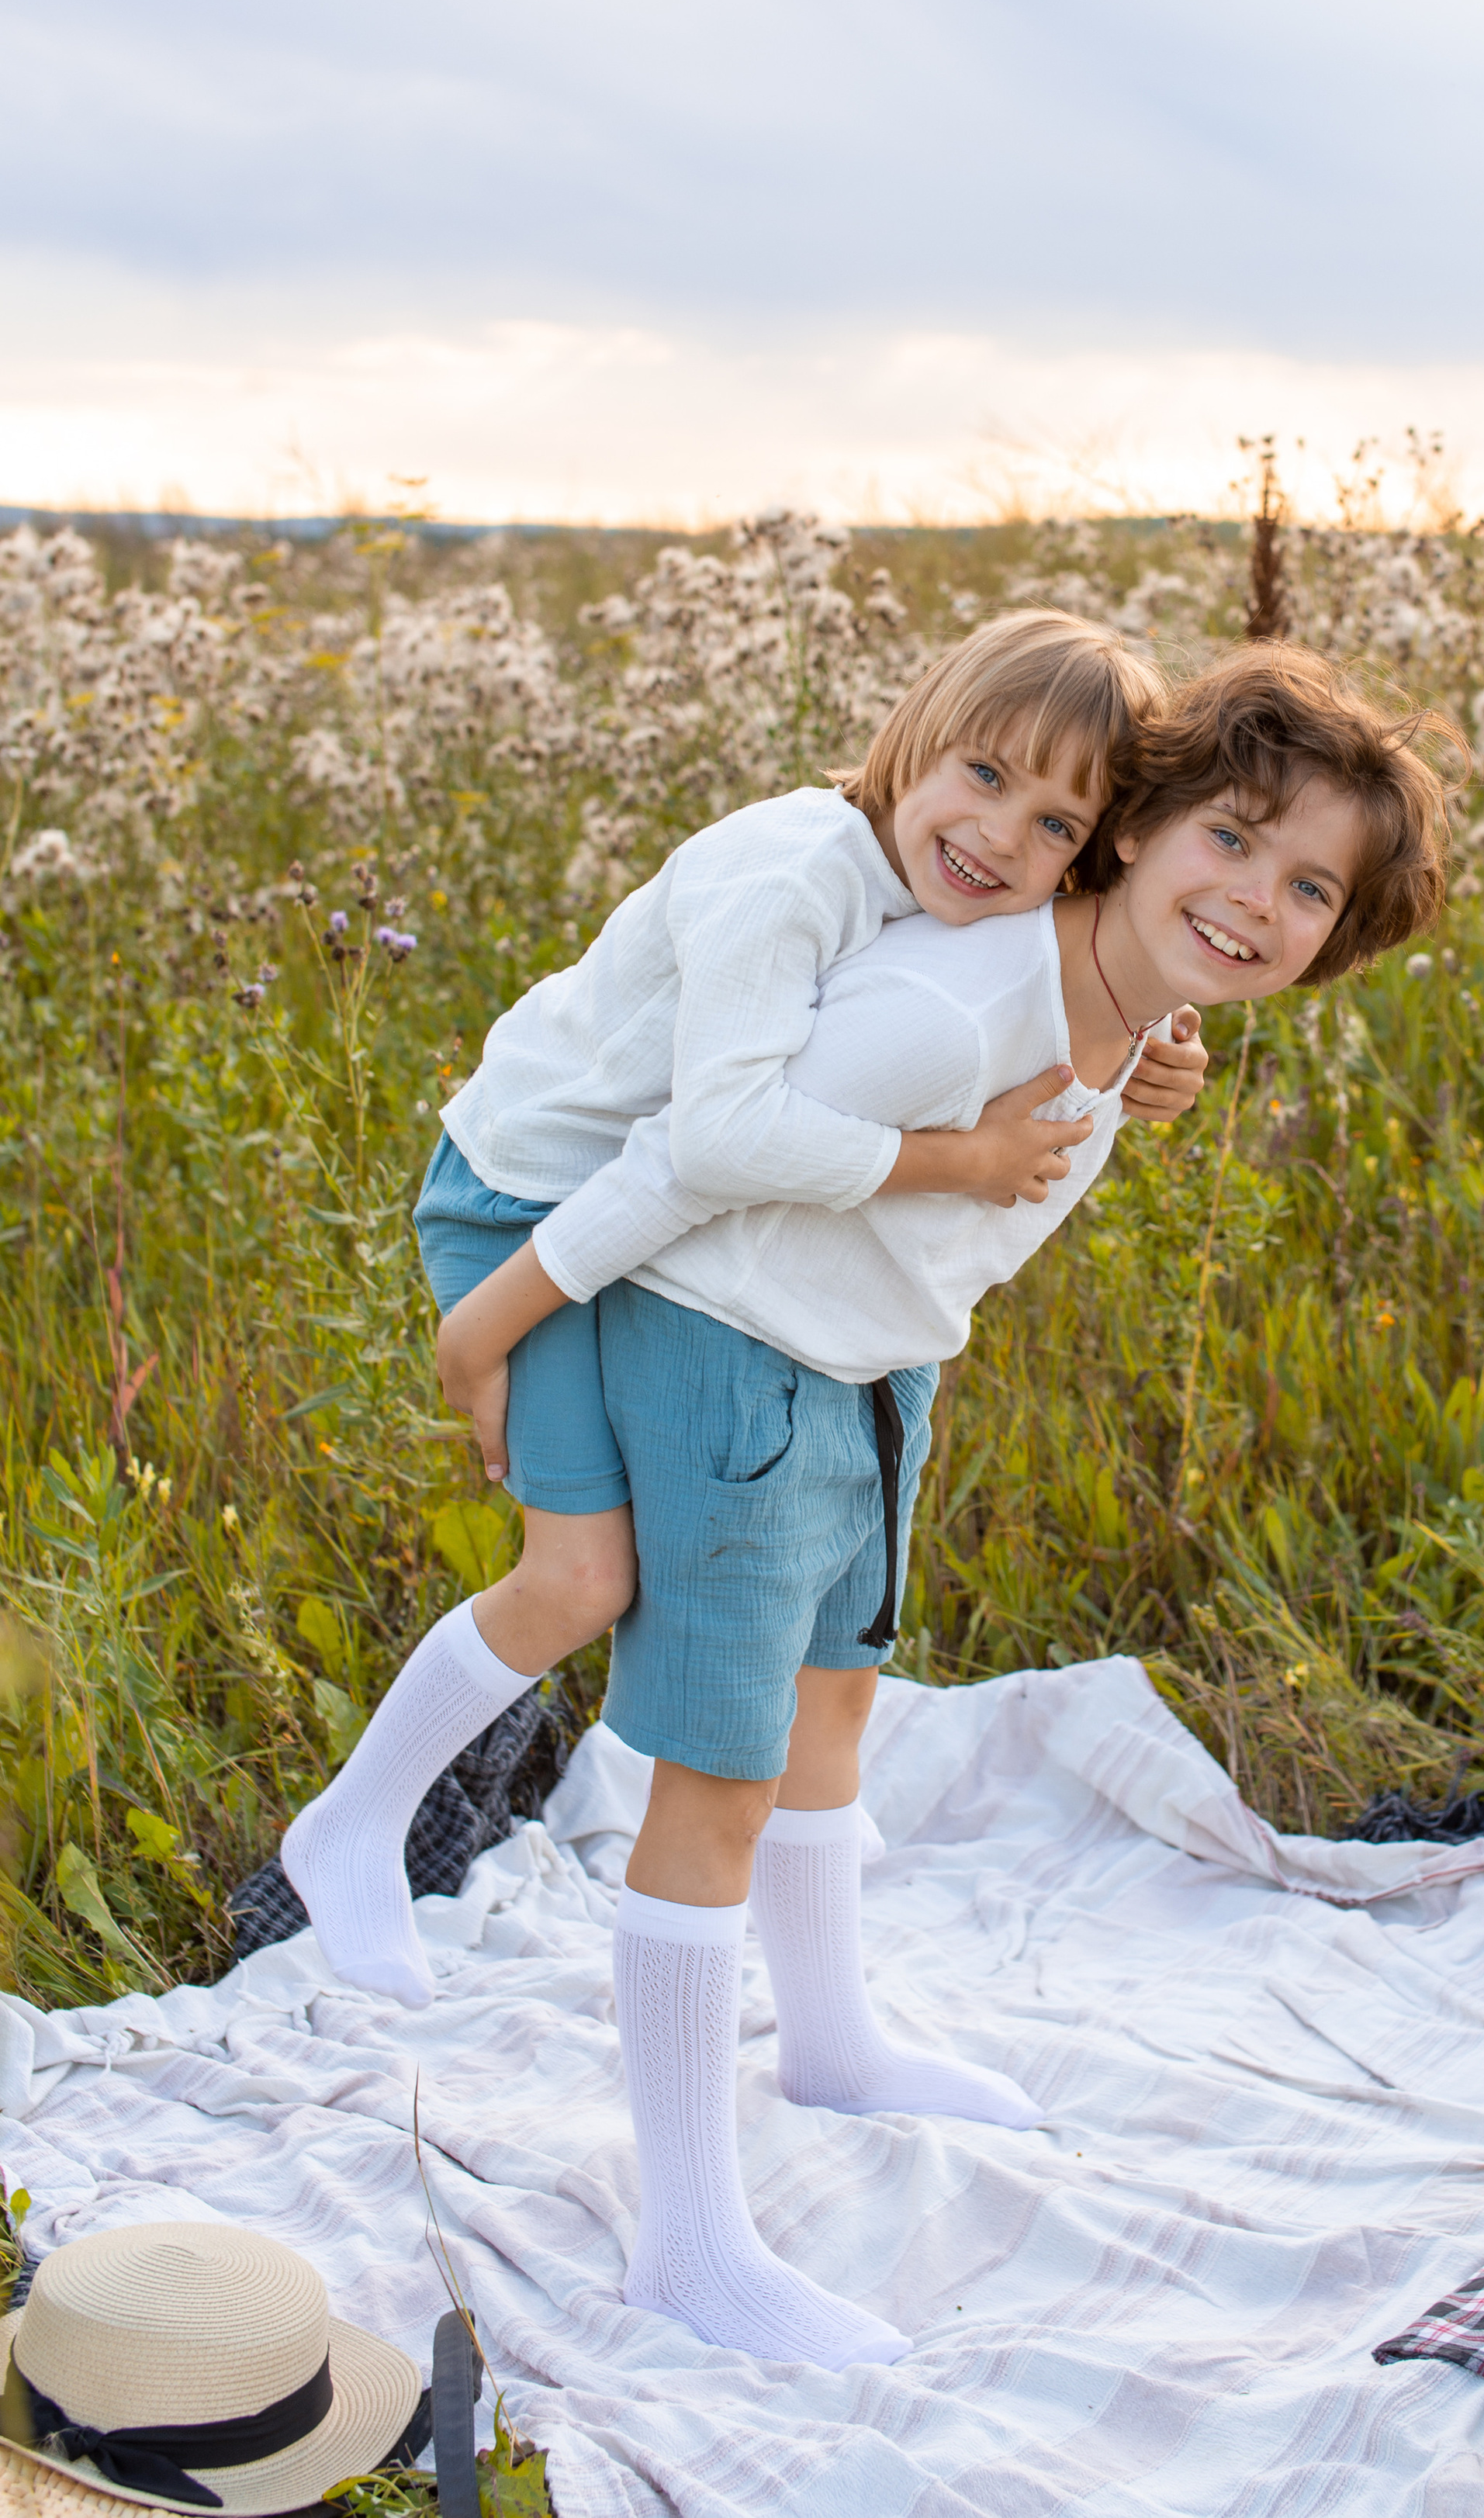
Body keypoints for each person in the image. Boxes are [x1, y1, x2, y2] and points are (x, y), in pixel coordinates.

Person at [577, 640, 1457, 2368]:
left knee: (841, 1706)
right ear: (1130, 832)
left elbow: (1064, 1088)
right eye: (1229, 841)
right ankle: (685, 2242)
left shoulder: (1123, 1013)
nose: (1253, 900)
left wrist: (1152, 1046)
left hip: (869, 1368)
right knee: (721, 1781)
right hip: (738, 1354)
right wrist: (512, 1320)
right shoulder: (952, 1000)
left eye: (1304, 889)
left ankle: (826, 2042)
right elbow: (706, 1150)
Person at [281, 609, 1201, 2011]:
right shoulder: (787, 876)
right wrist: (483, 1325)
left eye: (1059, 824)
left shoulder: (948, 882)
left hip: (646, 1224)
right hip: (532, 1198)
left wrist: (1158, 1041)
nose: (1005, 839)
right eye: (983, 773)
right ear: (912, 733)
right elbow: (718, 1144)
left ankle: (374, 1831)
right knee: (581, 1577)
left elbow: (1077, 972)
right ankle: (350, 1826)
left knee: (610, 1578)